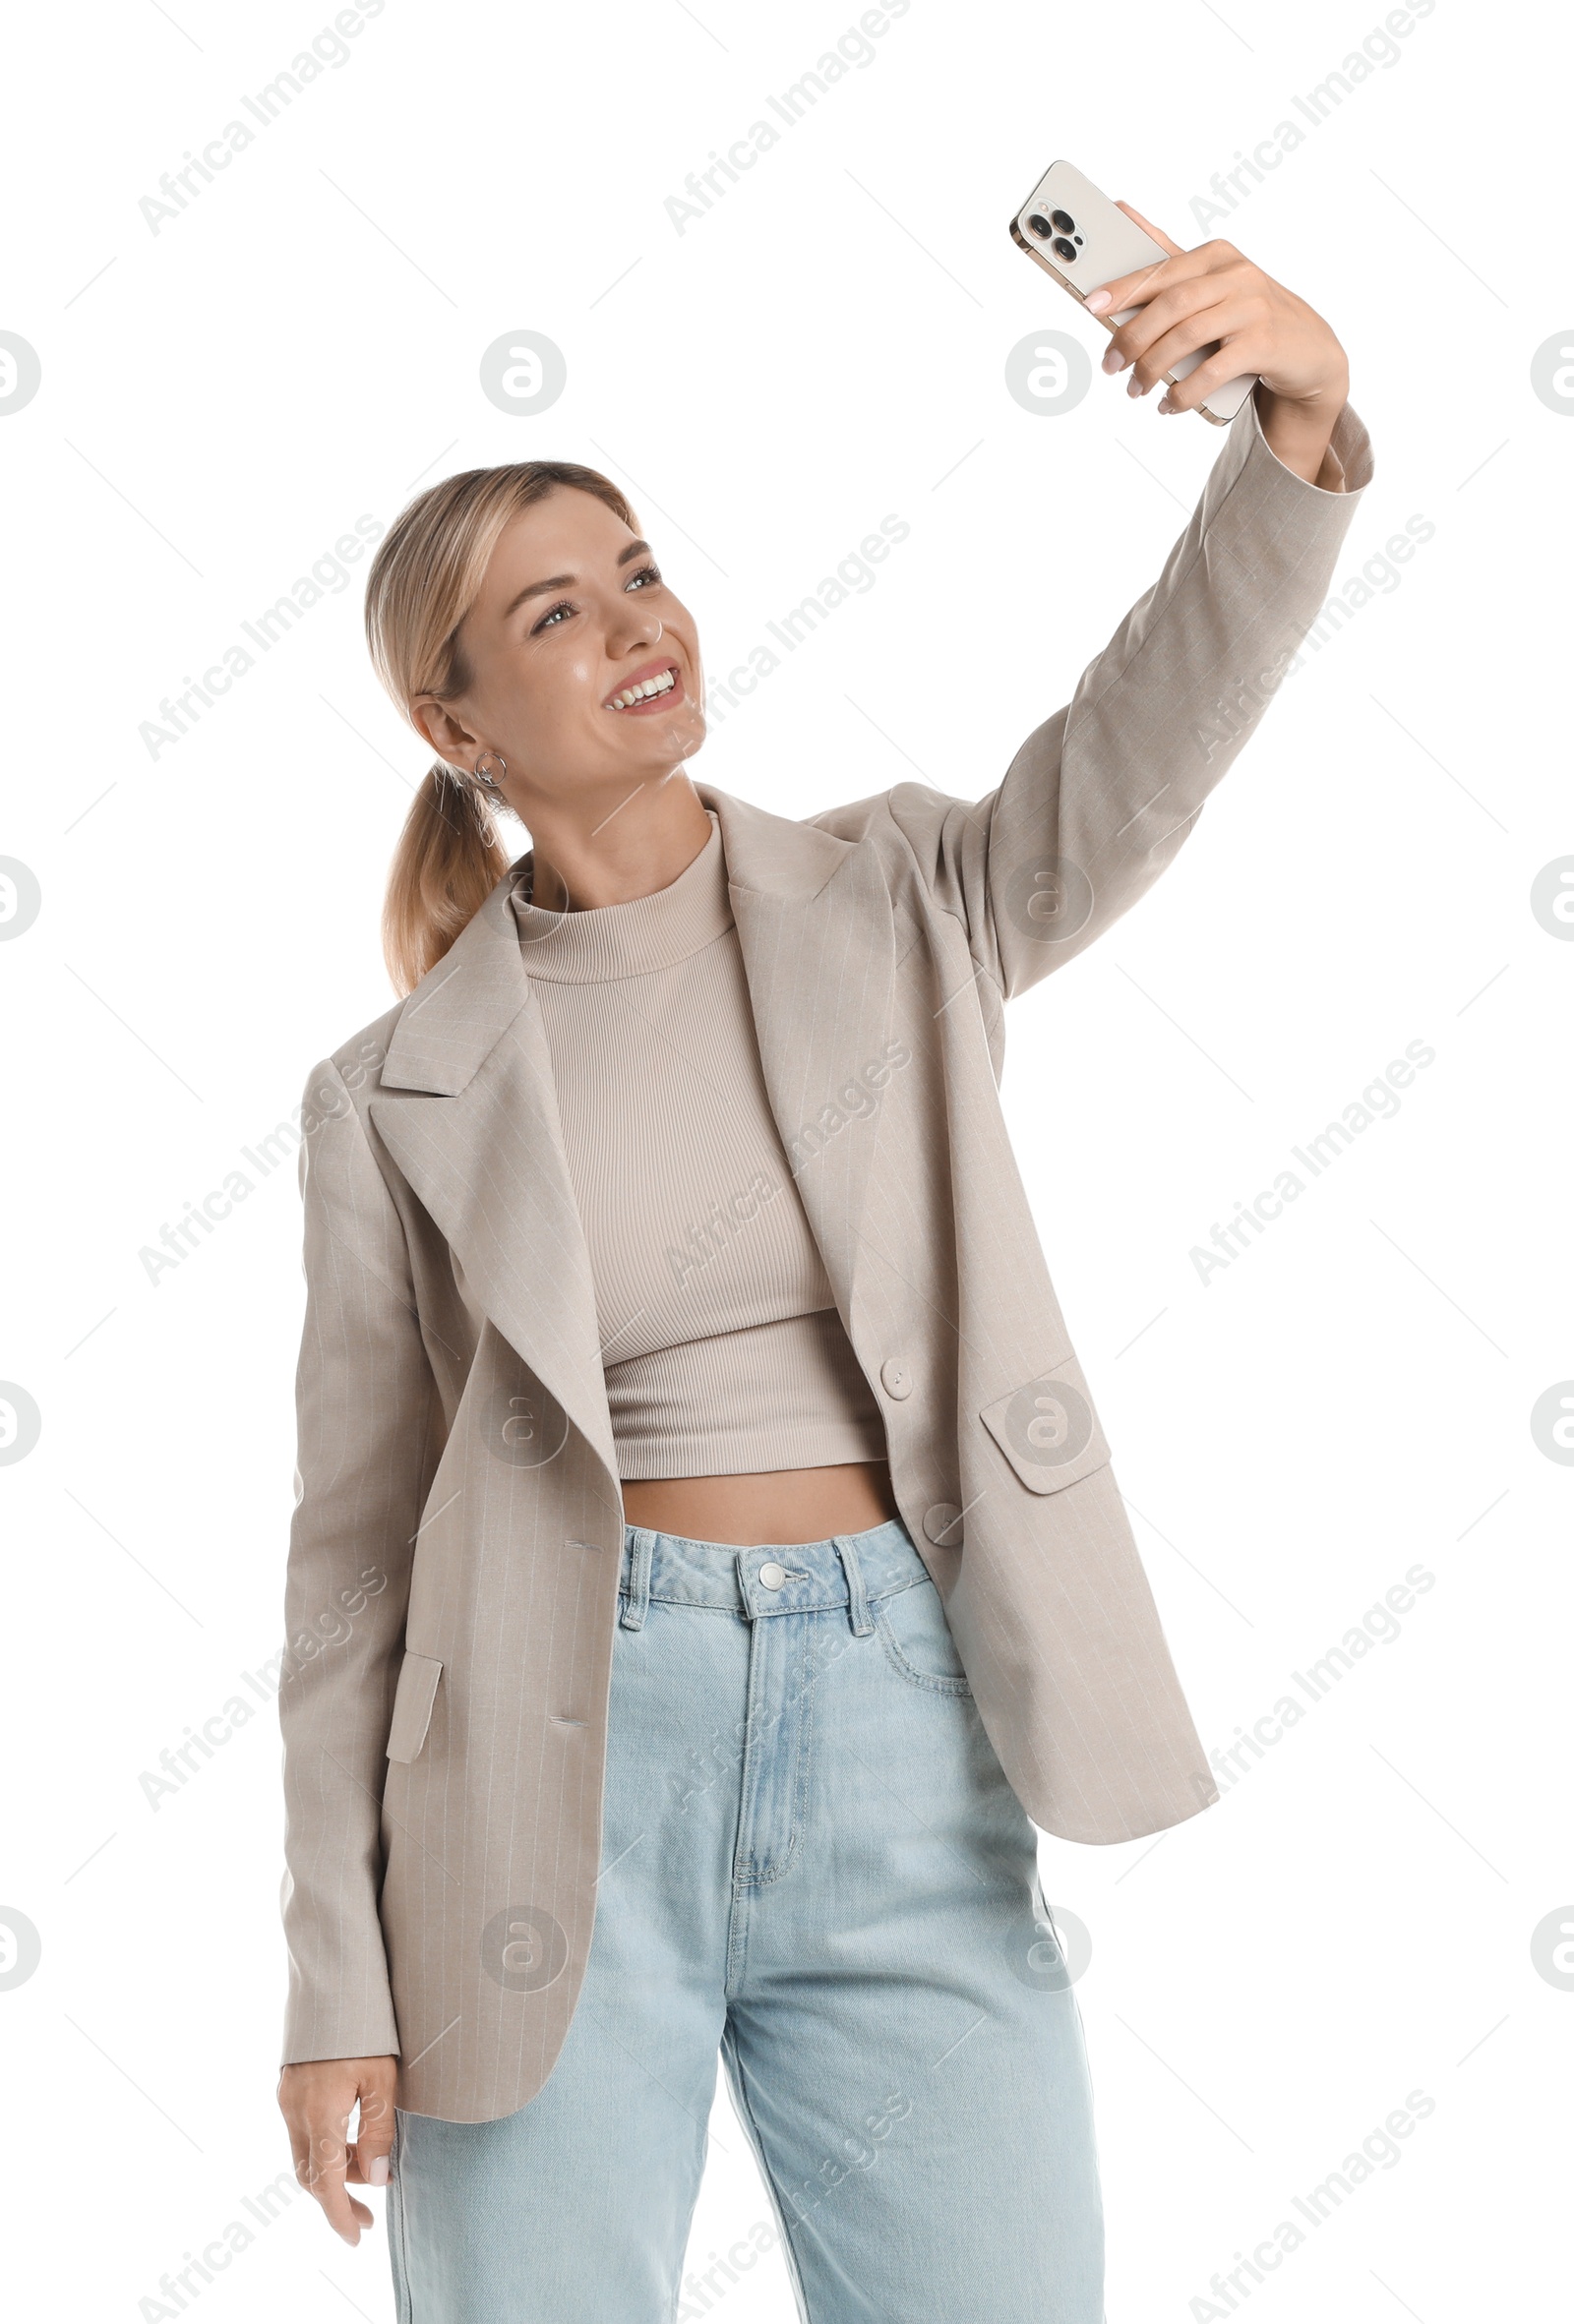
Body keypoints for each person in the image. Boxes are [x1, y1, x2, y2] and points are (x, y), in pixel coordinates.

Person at [275, 211, 1371, 2322]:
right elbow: (348, 1572)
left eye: (640, 572)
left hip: (901, 1717)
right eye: (552, 612)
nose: (632, 624)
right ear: (456, 724)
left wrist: (1291, 428)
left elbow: (1152, 731)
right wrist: (334, 1976)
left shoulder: (902, 896)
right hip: (541, 1777)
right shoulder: (390, 1094)